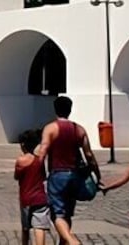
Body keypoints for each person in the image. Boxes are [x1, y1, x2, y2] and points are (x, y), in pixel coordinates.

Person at [35, 96, 101, 245]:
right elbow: (89, 154)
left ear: (55, 109)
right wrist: (96, 174)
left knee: (57, 214)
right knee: (67, 214)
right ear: (70, 109)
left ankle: (72, 241)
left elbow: (43, 151)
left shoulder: (51, 128)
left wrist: (39, 174)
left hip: (58, 174)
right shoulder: (79, 129)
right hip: (75, 175)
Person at [15, 129, 52, 245]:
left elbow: (17, 176)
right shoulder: (39, 160)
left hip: (25, 198)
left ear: (22, 145)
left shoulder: (21, 161)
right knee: (40, 227)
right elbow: (44, 176)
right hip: (40, 198)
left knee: (25, 228)